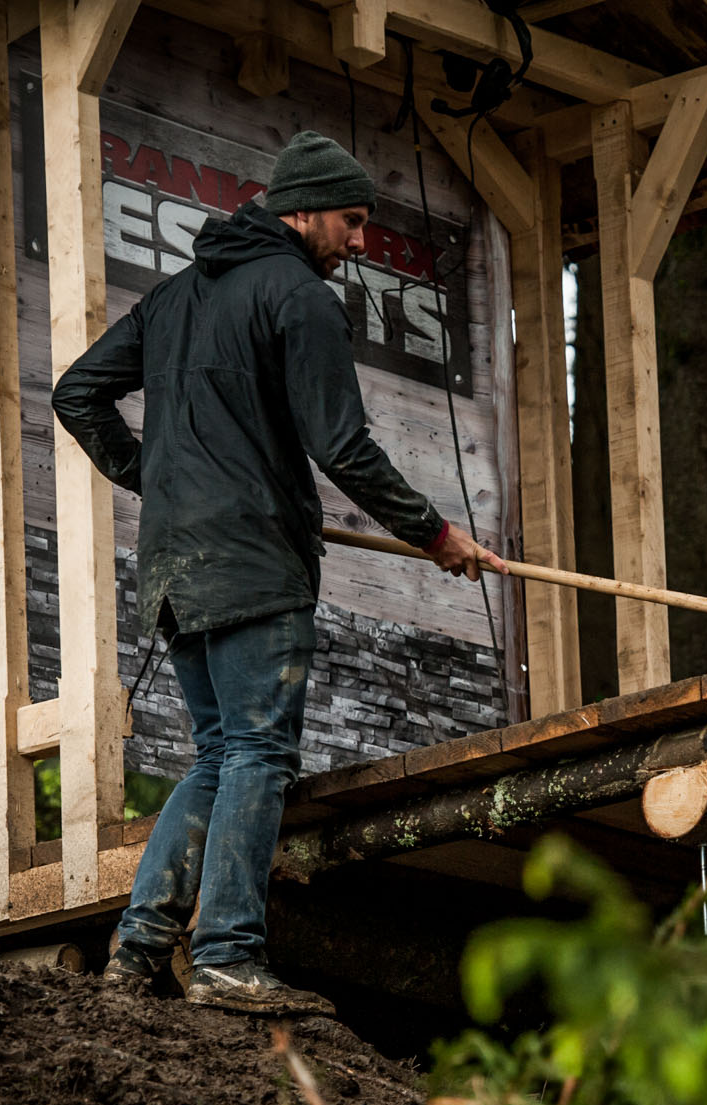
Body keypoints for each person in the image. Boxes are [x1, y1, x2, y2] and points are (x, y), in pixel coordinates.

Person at [51, 130, 503, 1016]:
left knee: (221, 752)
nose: (362, 241)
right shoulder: (299, 297)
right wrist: (436, 533)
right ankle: (226, 956)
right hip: (254, 561)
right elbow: (342, 445)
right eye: (352, 221)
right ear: (301, 211)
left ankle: (137, 952)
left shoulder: (173, 296)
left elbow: (77, 392)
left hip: (176, 566)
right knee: (256, 751)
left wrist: (157, 476)